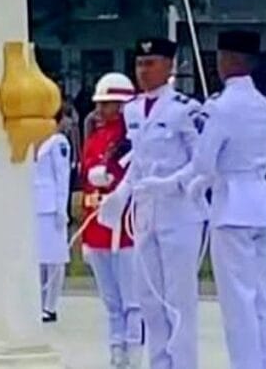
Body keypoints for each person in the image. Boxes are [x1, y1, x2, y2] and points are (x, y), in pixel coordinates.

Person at [102, 37, 205, 369]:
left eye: (151, 64)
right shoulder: (132, 110)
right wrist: (122, 192)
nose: (143, 71)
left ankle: (184, 363)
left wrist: (171, 183)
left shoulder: (185, 109)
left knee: (179, 299)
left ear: (169, 66)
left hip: (180, 212)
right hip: (146, 213)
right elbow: (139, 159)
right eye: (139, 64)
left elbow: (202, 161)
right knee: (149, 299)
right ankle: (159, 363)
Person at [186, 31, 266, 369]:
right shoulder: (264, 104)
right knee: (263, 297)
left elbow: (203, 163)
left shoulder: (220, 107)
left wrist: (201, 126)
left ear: (228, 60)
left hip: (232, 205)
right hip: (262, 202)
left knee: (237, 301)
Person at [80, 73, 142, 369]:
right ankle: (117, 352)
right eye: (100, 104)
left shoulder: (133, 138)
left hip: (125, 229)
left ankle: (133, 353)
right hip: (97, 227)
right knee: (111, 301)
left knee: (132, 300)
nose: (101, 110)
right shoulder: (95, 138)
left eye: (108, 104)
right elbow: (88, 183)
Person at [34, 107, 72, 325]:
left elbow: (62, 176)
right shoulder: (33, 141)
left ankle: (50, 305)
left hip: (51, 207)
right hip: (36, 206)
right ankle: (38, 303)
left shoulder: (58, 143)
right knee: (39, 260)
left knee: (55, 260)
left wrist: (61, 208)